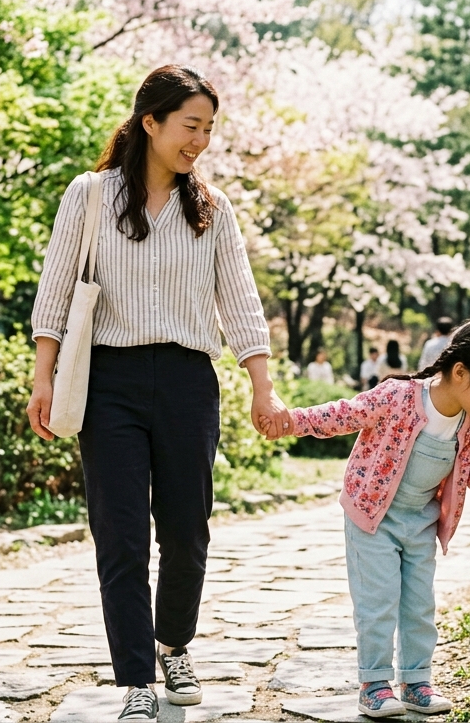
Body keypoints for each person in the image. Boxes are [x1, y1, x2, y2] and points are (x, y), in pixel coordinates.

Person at [26, 65, 291, 722]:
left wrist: (263, 387)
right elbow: (55, 289)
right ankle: (136, 678)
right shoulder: (88, 195)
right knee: (119, 535)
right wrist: (42, 374)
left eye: (208, 129)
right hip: (108, 382)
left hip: (187, 382)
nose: (199, 140)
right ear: (151, 122)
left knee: (187, 530)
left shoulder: (212, 209)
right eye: (189, 126)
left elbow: (241, 301)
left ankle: (173, 643)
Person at [284, 318, 470, 718]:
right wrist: (290, 421)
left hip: (420, 523)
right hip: (373, 518)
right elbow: (343, 414)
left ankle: (417, 683)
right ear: (461, 372)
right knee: (377, 602)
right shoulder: (398, 397)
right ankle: (374, 685)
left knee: (418, 606)